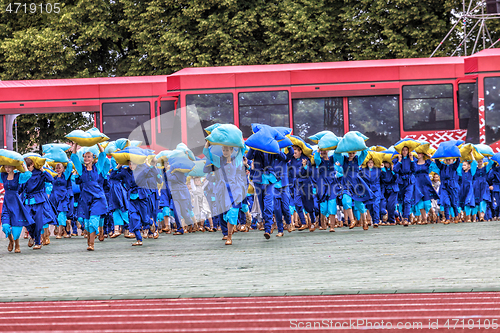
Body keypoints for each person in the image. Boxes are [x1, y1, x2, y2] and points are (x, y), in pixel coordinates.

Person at [71, 144, 108, 251]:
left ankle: (91, 244)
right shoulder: (81, 169)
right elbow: (73, 157)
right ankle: (89, 241)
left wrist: (97, 143)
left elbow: (103, 154)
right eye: (85, 157)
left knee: (93, 221)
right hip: (85, 198)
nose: (86, 158)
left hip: (97, 197)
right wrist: (76, 144)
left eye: (89, 156)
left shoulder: (98, 168)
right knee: (86, 224)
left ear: (93, 158)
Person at [21, 156, 55, 250]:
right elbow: (21, 187)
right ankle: (32, 236)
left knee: (38, 221)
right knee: (27, 220)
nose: (27, 169)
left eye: (28, 167)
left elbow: (51, 179)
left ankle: (38, 242)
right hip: (27, 200)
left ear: (32, 164)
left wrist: (42, 169)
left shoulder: (40, 173)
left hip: (38, 199)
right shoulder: (25, 174)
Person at [0, 164, 35, 253]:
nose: (7, 169)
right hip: (6, 203)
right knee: (5, 226)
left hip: (16, 203)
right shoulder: (3, 175)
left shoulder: (18, 176)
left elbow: (28, 175)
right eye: (6, 167)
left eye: (9, 167)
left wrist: (23, 165)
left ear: (13, 167)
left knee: (16, 226)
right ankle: (11, 240)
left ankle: (17, 244)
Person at [49, 162, 74, 239]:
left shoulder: (65, 176)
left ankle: (59, 233)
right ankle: (65, 228)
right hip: (54, 197)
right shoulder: (53, 176)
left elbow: (70, 166)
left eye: (60, 168)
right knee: (56, 214)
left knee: (61, 214)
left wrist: (66, 161)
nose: (58, 169)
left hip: (63, 197)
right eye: (57, 168)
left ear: (63, 169)